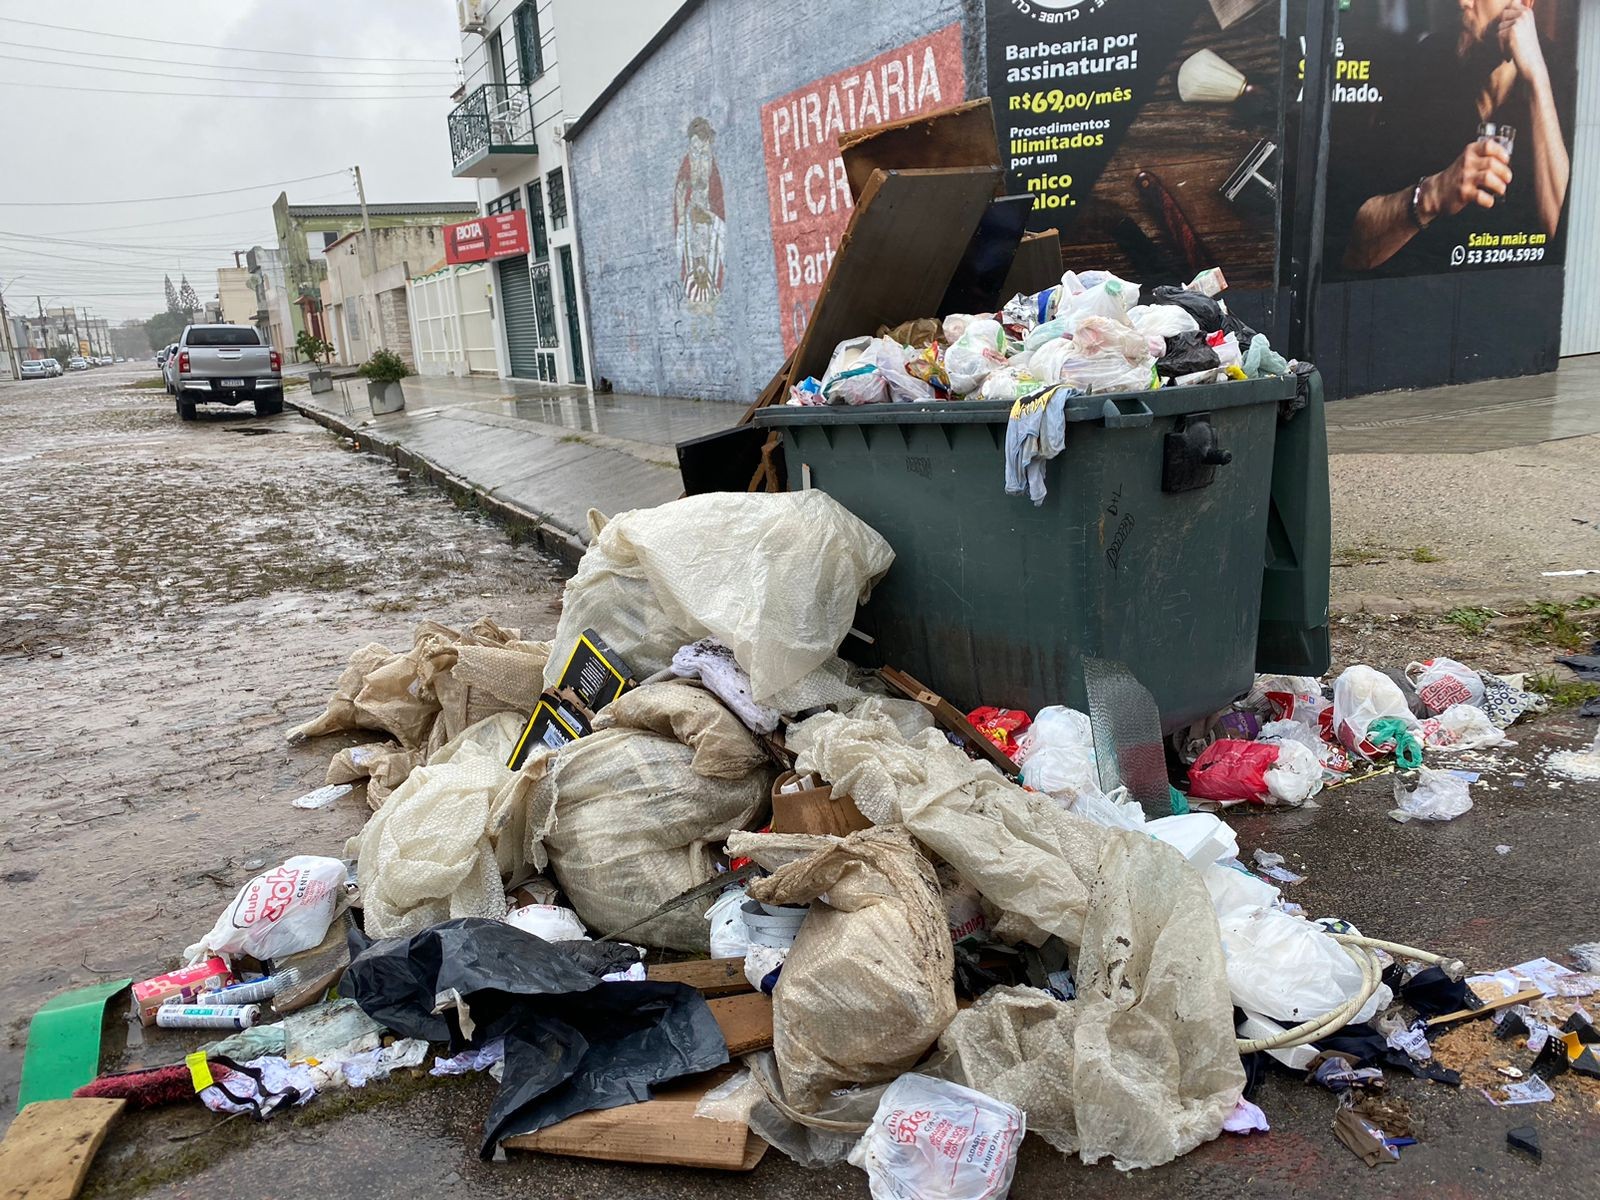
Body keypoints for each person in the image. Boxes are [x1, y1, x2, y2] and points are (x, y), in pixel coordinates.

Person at [1340, 0, 1569, 273]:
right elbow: (1357, 250)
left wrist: (1536, 80)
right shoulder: (1425, 63)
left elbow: (1571, 242)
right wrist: (1434, 193)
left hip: (1524, 298)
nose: (1462, 2)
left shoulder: (1565, 75)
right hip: (1422, 292)